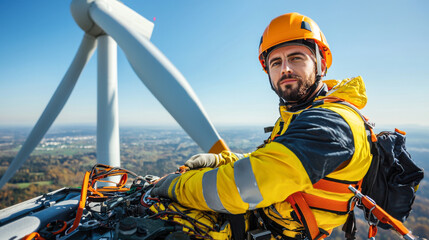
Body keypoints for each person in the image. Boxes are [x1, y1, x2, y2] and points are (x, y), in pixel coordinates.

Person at [152, 12, 372, 239]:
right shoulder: (300, 114)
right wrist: (222, 160)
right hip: (263, 222)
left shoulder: (330, 126)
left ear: (321, 64)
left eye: (296, 58)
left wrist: (175, 186)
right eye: (276, 62)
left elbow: (242, 188)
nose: (285, 68)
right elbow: (268, 161)